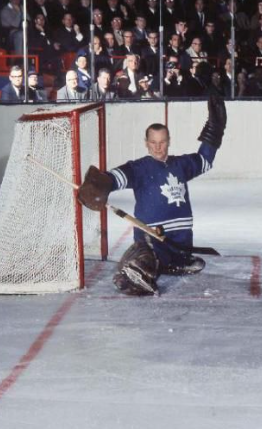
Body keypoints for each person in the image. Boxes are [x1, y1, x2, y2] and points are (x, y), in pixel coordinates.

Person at [76, 96, 227, 296]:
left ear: (169, 142)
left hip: (181, 243)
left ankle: (170, 263)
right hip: (152, 241)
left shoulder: (180, 165)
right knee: (140, 263)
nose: (158, 147)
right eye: (153, 142)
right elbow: (115, 178)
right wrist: (100, 184)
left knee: (182, 258)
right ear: (146, 143)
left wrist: (215, 129)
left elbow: (204, 159)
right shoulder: (139, 168)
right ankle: (138, 271)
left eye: (162, 142)